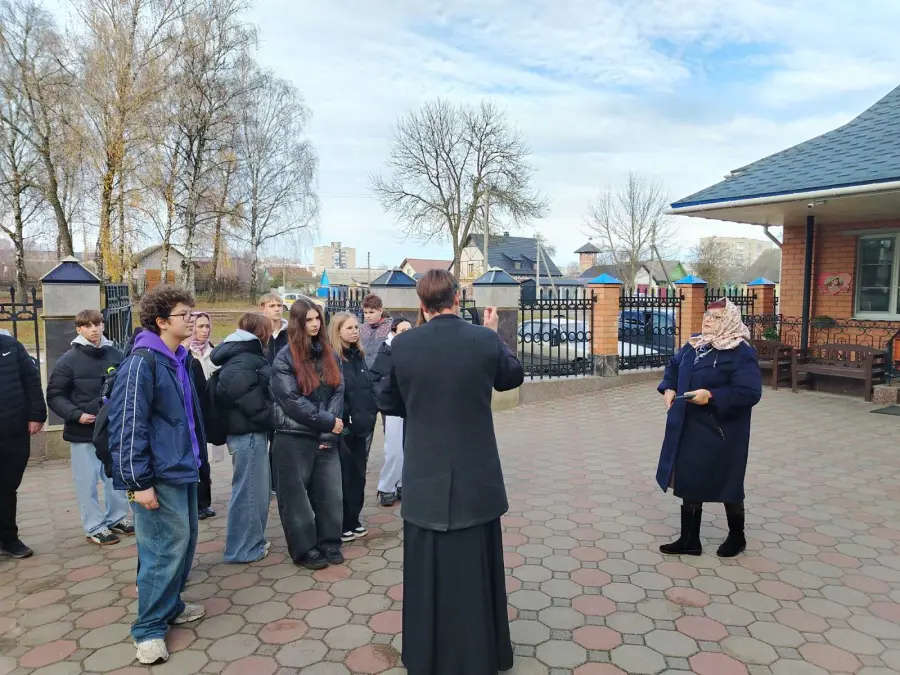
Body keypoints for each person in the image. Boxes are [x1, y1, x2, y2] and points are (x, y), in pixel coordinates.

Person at [377, 269, 524, 675]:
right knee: (476, 566)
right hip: (476, 475)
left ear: (422, 305)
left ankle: (428, 656)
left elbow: (387, 399)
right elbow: (511, 376)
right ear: (457, 299)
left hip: (425, 473)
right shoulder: (483, 340)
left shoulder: (403, 344)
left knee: (428, 569)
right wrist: (495, 334)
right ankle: (482, 655)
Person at [108, 285, 207, 665]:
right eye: (184, 315)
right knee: (162, 550)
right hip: (158, 475)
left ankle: (171, 605)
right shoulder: (142, 362)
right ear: (161, 321)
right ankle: (148, 630)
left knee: (183, 543)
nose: (192, 320)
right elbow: (128, 425)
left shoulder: (177, 358)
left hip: (183, 468)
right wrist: (139, 484)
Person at [656, 298, 762, 558]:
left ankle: (737, 536)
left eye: (716, 317)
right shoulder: (695, 343)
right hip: (689, 425)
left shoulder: (740, 351)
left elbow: (750, 392)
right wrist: (669, 388)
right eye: (707, 315)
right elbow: (673, 365)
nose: (707, 320)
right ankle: (689, 540)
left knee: (728, 481)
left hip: (722, 429)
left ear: (729, 320)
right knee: (689, 477)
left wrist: (712, 396)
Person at [270, 297, 345, 570]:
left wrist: (329, 429)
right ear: (297, 323)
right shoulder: (284, 357)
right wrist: (327, 422)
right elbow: (291, 400)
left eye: (317, 319)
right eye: (308, 320)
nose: (314, 324)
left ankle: (329, 542)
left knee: (331, 493)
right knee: (296, 498)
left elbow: (338, 389)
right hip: (293, 436)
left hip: (326, 434)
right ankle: (305, 549)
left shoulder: (329, 354)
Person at [46, 309, 132, 546]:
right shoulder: (68, 360)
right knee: (87, 481)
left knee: (115, 476)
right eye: (87, 326)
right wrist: (77, 415)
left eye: (97, 324)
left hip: (112, 428)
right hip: (83, 431)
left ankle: (117, 518)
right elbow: (55, 395)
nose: (94, 330)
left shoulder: (115, 354)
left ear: (103, 325)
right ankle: (94, 526)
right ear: (79, 329)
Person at [211, 312, 274, 563]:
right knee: (248, 492)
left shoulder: (243, 354)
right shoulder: (243, 358)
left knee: (255, 491)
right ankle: (242, 549)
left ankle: (251, 541)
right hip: (247, 434)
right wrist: (272, 415)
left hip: (249, 432)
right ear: (262, 332)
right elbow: (245, 396)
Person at [329, 312, 378, 542]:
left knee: (358, 475)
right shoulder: (334, 358)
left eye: (356, 327)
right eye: (349, 328)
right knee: (344, 474)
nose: (354, 331)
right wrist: (345, 421)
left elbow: (367, 388)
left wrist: (371, 411)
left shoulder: (359, 356)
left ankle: (353, 518)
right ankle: (341, 522)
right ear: (337, 331)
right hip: (345, 427)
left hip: (362, 426)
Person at [0, 329, 46, 559]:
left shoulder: (11, 346)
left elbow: (31, 381)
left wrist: (36, 415)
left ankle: (9, 538)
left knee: (8, 487)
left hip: (13, 430)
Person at [369, 317, 412, 508]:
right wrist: (385, 397)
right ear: (393, 333)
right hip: (393, 406)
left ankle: (401, 484)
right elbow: (375, 379)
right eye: (402, 331)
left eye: (409, 330)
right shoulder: (387, 351)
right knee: (393, 448)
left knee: (407, 447)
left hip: (410, 404)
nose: (407, 334)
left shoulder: (414, 350)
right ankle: (386, 487)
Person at [185, 312, 221, 520]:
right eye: (200, 326)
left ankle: (205, 502)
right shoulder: (186, 353)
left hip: (209, 410)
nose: (204, 330)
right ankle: (195, 502)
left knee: (205, 460)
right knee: (195, 458)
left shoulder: (214, 351)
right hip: (192, 410)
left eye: (207, 326)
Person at [360, 294, 392, 368]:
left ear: (380, 311)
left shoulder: (390, 327)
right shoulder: (361, 328)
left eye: (371, 312)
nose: (368, 316)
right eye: (365, 312)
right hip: (365, 369)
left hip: (383, 369)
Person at [259, 293, 288, 366]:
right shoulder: (256, 332)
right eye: (272, 306)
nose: (277, 309)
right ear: (262, 309)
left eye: (279, 305)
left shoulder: (292, 332)